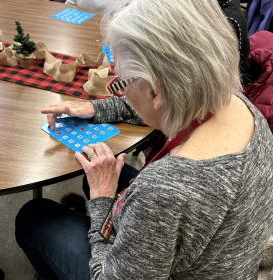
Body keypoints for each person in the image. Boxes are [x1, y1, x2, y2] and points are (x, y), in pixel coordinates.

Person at [15, 0, 273, 279]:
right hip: (225, 259)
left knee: (34, 217)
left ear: (155, 91)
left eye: (122, 82)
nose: (120, 91)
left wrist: (102, 201)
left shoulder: (162, 190)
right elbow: (177, 101)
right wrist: (95, 108)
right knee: (105, 174)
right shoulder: (244, 108)